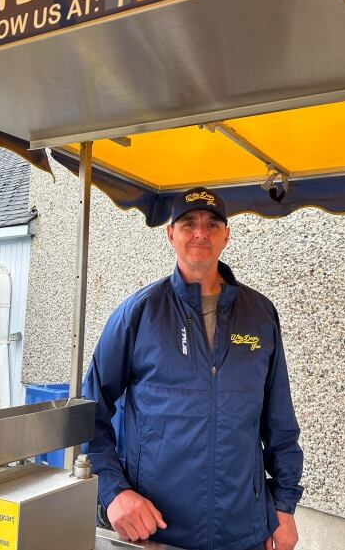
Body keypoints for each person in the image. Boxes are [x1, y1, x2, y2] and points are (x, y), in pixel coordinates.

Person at [82, 186, 303, 550]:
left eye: (212, 224)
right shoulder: (139, 313)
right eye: (188, 223)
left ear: (226, 235)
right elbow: (90, 411)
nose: (201, 233)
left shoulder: (260, 313)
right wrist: (113, 491)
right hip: (158, 530)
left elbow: (279, 420)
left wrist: (284, 504)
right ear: (171, 234)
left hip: (243, 530)